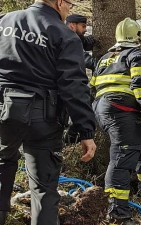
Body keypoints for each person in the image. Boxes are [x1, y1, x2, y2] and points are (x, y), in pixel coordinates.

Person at [0, 1, 97, 225]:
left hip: (4, 111)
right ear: (59, 2)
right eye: (69, 5)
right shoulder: (64, 34)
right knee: (44, 188)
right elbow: (74, 86)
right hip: (42, 117)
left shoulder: (5, 21)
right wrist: (86, 131)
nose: (69, 11)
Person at [90, 17, 141, 225]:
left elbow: (93, 85)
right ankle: (117, 210)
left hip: (103, 108)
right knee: (122, 156)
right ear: (137, 36)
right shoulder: (136, 54)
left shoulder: (105, 58)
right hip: (123, 109)